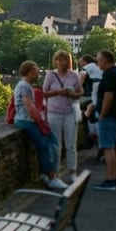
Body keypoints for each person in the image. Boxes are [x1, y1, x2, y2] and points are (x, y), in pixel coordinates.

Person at [13, 60, 68, 190]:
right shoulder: (24, 86)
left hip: (28, 120)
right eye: (36, 72)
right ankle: (51, 177)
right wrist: (40, 123)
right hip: (26, 121)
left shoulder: (25, 85)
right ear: (31, 72)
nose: (38, 75)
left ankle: (50, 174)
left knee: (50, 144)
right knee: (44, 146)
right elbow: (29, 107)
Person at [42, 50, 83, 181]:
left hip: (69, 113)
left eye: (63, 60)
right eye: (58, 60)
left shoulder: (73, 76)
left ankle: (72, 172)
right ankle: (56, 172)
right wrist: (59, 92)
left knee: (71, 144)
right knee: (56, 145)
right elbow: (44, 93)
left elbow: (80, 92)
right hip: (53, 113)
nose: (60, 62)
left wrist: (71, 95)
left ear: (68, 61)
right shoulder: (50, 75)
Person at [93, 50, 116, 191]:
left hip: (109, 116)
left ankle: (110, 180)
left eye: (99, 60)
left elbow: (108, 96)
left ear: (106, 60)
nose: (97, 63)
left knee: (108, 148)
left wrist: (102, 114)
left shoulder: (108, 74)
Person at [79, 54, 102, 152]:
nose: (79, 63)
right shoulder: (97, 67)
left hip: (90, 95)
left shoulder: (87, 67)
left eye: (80, 61)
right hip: (98, 97)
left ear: (85, 61)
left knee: (80, 111)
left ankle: (88, 139)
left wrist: (77, 90)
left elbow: (82, 78)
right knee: (93, 117)